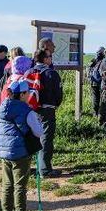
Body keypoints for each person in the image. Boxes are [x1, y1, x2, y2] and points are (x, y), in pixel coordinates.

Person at [0, 79, 43, 211]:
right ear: (22, 94)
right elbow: (38, 132)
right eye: (27, 92)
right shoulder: (26, 110)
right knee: (20, 186)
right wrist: (38, 121)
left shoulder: (3, 106)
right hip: (21, 152)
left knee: (7, 185)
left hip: (5, 152)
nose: (29, 94)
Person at [26, 49, 63, 177]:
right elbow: (58, 95)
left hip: (30, 109)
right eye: (49, 56)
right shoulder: (51, 73)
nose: (51, 58)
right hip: (47, 109)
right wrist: (55, 104)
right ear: (45, 59)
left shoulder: (28, 72)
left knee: (31, 136)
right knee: (46, 138)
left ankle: (28, 167)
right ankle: (45, 169)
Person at [87, 47, 106, 116]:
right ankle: (102, 113)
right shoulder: (104, 60)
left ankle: (95, 113)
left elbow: (88, 69)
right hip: (101, 82)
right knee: (103, 98)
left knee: (95, 98)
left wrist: (89, 79)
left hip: (93, 82)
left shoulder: (93, 60)